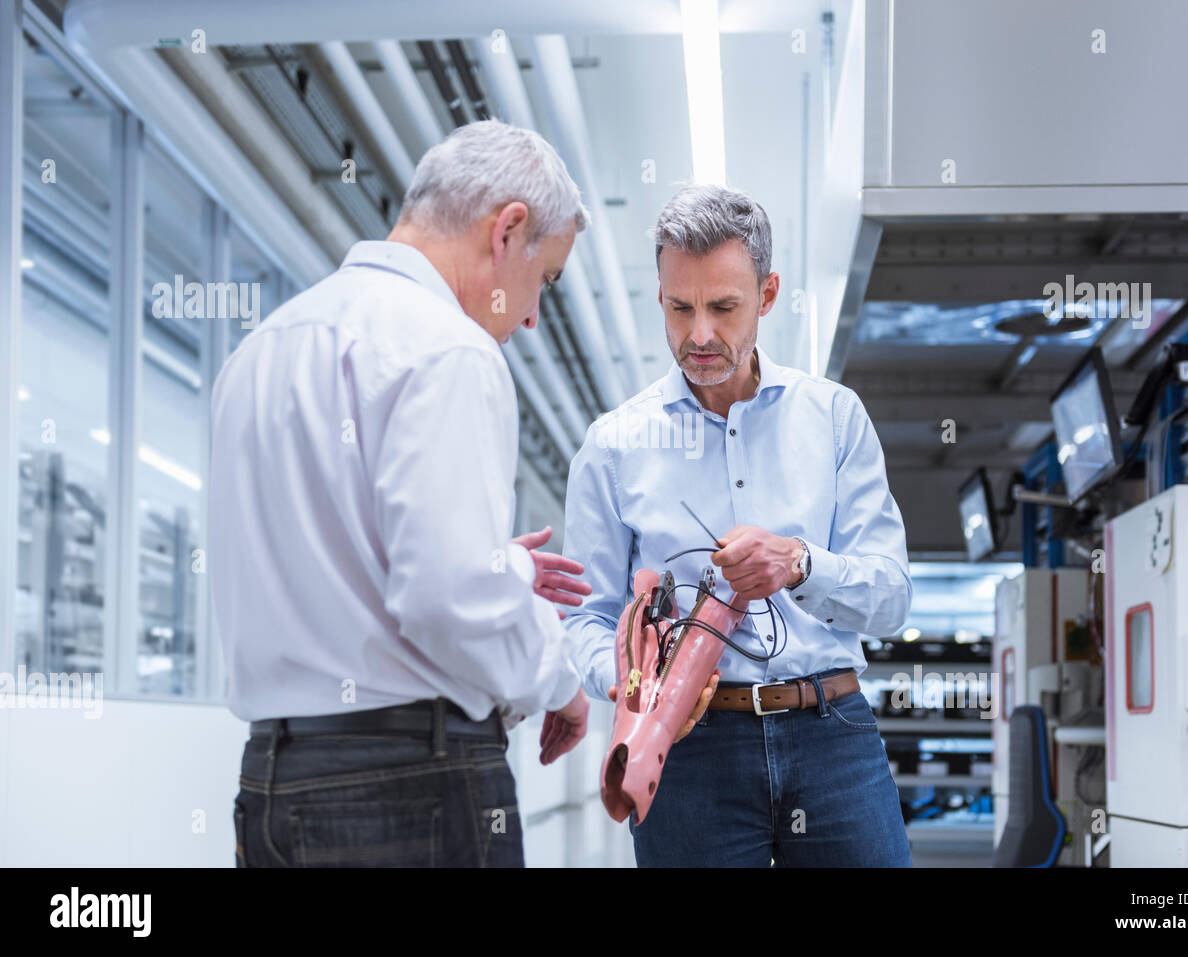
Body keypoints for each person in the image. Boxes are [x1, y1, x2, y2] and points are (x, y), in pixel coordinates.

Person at [211, 120, 593, 868]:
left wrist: (498, 568)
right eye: (542, 279)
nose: (531, 315)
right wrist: (560, 679)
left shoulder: (260, 350)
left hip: (270, 787)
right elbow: (447, 597)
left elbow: (341, 562)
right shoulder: (450, 348)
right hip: (411, 789)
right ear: (508, 231)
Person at [562, 184, 914, 867]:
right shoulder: (614, 445)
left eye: (723, 307)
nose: (698, 334)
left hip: (831, 730)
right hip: (689, 747)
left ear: (769, 293)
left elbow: (893, 597)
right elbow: (585, 618)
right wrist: (635, 679)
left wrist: (803, 563)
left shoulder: (835, 418)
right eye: (679, 307)